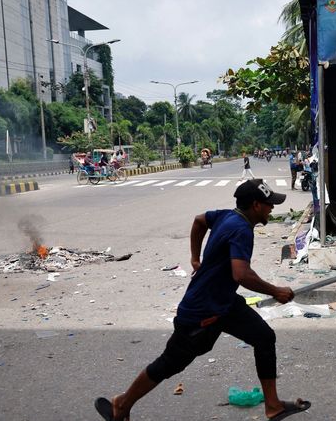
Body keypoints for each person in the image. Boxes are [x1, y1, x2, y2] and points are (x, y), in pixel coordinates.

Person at [94, 179, 310, 421]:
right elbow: (241, 273)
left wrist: (195, 259)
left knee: (264, 337)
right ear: (256, 205)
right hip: (202, 310)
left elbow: (199, 221)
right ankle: (121, 404)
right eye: (269, 204)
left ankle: (273, 405)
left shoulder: (226, 216)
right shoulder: (241, 229)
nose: (272, 208)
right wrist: (275, 291)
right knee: (170, 363)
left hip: (225, 303)